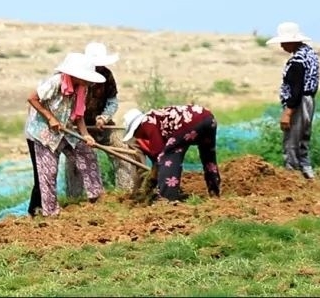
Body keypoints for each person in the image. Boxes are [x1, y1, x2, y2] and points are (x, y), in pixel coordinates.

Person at [25, 52, 105, 217]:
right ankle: (50, 212)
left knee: (87, 153)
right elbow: (32, 98)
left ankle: (96, 196)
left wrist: (86, 135)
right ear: (76, 75)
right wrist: (50, 118)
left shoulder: (82, 89)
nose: (89, 81)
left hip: (66, 130)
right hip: (43, 132)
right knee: (49, 171)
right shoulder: (56, 82)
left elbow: (79, 115)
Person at [121, 104, 221, 202]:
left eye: (135, 134)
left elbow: (159, 154)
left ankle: (167, 198)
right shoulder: (158, 117)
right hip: (209, 119)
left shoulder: (148, 122)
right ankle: (214, 193)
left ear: (137, 128)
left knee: (168, 158)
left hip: (189, 124)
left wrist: (151, 180)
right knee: (208, 157)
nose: (137, 136)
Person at [65, 41, 123, 196]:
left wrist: (104, 117)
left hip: (101, 125)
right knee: (73, 159)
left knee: (122, 151)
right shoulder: (76, 75)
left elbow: (112, 100)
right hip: (77, 125)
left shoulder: (107, 75)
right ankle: (74, 196)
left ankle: (124, 191)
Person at [267, 21, 320, 179]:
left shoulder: (297, 61)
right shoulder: (309, 54)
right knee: (302, 140)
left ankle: (292, 176)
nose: (282, 46)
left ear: (292, 41)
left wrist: (288, 112)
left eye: (284, 42)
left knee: (291, 140)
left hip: (298, 103)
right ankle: (307, 173)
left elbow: (296, 90)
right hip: (308, 101)